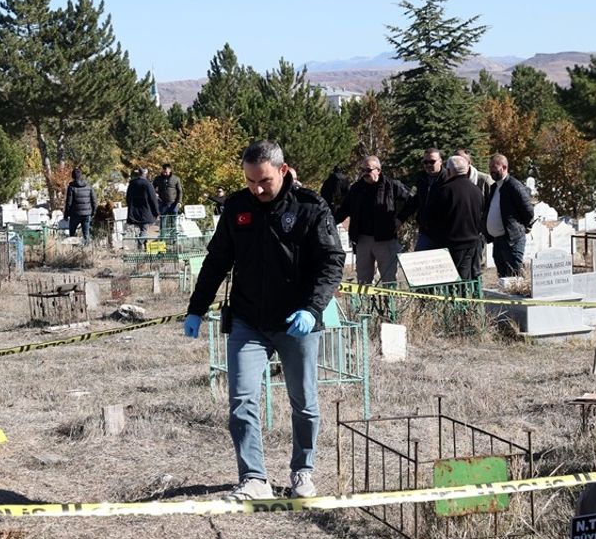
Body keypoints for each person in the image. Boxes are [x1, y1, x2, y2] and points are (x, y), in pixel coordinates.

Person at [182, 141, 346, 501]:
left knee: (303, 402)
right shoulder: (238, 207)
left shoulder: (310, 207)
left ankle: (302, 471)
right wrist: (196, 308)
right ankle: (254, 478)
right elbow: (216, 261)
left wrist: (312, 308)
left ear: (283, 171)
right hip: (248, 320)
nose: (257, 189)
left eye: (264, 181)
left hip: (296, 321)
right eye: (250, 181)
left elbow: (332, 261)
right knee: (241, 400)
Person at [336, 155, 411, 284]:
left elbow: (412, 200)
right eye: (362, 170)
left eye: (368, 170)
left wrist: (400, 219)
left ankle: (390, 304)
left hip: (385, 239)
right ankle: (366, 304)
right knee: (363, 281)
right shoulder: (356, 189)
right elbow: (343, 210)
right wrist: (328, 223)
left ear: (378, 170)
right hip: (363, 239)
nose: (365, 174)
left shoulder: (392, 185)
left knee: (389, 280)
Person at [430, 155, 486, 281]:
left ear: (449, 171)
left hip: (453, 244)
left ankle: (462, 301)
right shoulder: (476, 190)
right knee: (470, 278)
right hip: (473, 243)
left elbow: (434, 218)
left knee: (456, 282)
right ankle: (471, 300)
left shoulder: (444, 191)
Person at [484, 153, 534, 277]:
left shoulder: (514, 186)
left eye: (494, 167)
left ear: (504, 167)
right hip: (498, 241)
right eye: (490, 167)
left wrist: (519, 227)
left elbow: (528, 211)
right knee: (502, 277)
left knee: (514, 275)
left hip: (512, 240)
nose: (491, 171)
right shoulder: (495, 187)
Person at [401, 148, 444, 251]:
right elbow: (412, 201)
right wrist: (400, 218)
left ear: (440, 161)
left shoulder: (448, 179)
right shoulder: (421, 179)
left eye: (432, 161)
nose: (428, 165)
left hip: (444, 234)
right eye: (425, 162)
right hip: (425, 232)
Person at [125, 167, 159, 239]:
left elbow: (128, 198)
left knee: (141, 230)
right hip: (146, 211)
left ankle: (144, 247)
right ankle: (139, 245)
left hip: (134, 212)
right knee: (144, 230)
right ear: (145, 174)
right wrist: (156, 212)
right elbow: (153, 199)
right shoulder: (147, 184)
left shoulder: (132, 184)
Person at [64, 168, 97, 242]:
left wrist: (66, 214)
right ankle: (87, 251)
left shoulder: (71, 187)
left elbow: (68, 203)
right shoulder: (88, 186)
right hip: (87, 214)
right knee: (86, 235)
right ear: (81, 176)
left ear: (72, 176)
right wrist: (94, 212)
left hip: (75, 214)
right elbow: (94, 200)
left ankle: (73, 251)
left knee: (72, 235)